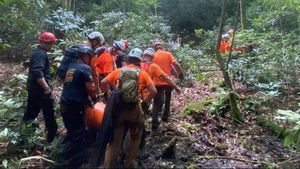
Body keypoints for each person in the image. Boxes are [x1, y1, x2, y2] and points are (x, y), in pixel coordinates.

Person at [101, 48, 157, 168]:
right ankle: (129, 162)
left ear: (128, 59)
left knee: (115, 141)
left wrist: (108, 95)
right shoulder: (142, 73)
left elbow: (103, 82)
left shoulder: (119, 71)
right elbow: (153, 91)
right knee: (135, 136)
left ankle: (108, 165)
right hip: (134, 109)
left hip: (119, 109)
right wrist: (144, 102)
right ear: (139, 61)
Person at [59, 45, 97, 168]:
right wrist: (94, 98)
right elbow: (90, 88)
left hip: (64, 103)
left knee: (72, 130)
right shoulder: (85, 68)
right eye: (89, 56)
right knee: (79, 132)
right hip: (75, 105)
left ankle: (63, 154)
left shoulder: (70, 68)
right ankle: (73, 161)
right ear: (84, 56)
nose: (91, 59)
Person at [22, 32, 58, 143]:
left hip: (33, 88)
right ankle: (52, 139)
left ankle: (24, 135)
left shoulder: (37, 52)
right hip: (40, 89)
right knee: (49, 114)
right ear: (47, 43)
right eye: (51, 43)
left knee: (31, 112)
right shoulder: (41, 54)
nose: (51, 46)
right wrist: (47, 89)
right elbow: (38, 72)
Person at [152, 41, 184, 130]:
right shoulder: (168, 54)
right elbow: (176, 64)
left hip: (157, 82)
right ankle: (165, 116)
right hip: (168, 82)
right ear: (162, 47)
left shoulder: (152, 56)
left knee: (156, 101)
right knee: (168, 98)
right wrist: (180, 72)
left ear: (155, 48)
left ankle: (154, 122)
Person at [87, 31, 105, 96]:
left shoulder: (81, 47)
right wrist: (98, 91)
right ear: (95, 41)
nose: (99, 46)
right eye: (99, 44)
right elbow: (95, 74)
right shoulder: (92, 54)